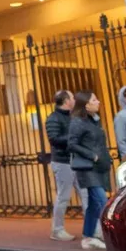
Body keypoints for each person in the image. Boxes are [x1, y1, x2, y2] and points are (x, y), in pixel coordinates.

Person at [66, 91, 110, 251]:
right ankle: (114, 237)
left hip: (99, 168)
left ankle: (88, 237)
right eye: (94, 99)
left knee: (93, 205)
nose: (98, 101)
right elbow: (72, 144)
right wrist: (92, 156)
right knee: (102, 202)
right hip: (88, 168)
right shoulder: (77, 122)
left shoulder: (93, 121)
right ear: (86, 104)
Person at [45, 90, 81, 242]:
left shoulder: (73, 116)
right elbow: (54, 139)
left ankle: (94, 229)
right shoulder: (53, 118)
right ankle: (57, 230)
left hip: (77, 160)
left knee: (86, 195)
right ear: (66, 101)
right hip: (62, 161)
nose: (74, 99)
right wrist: (74, 138)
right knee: (63, 197)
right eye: (72, 97)